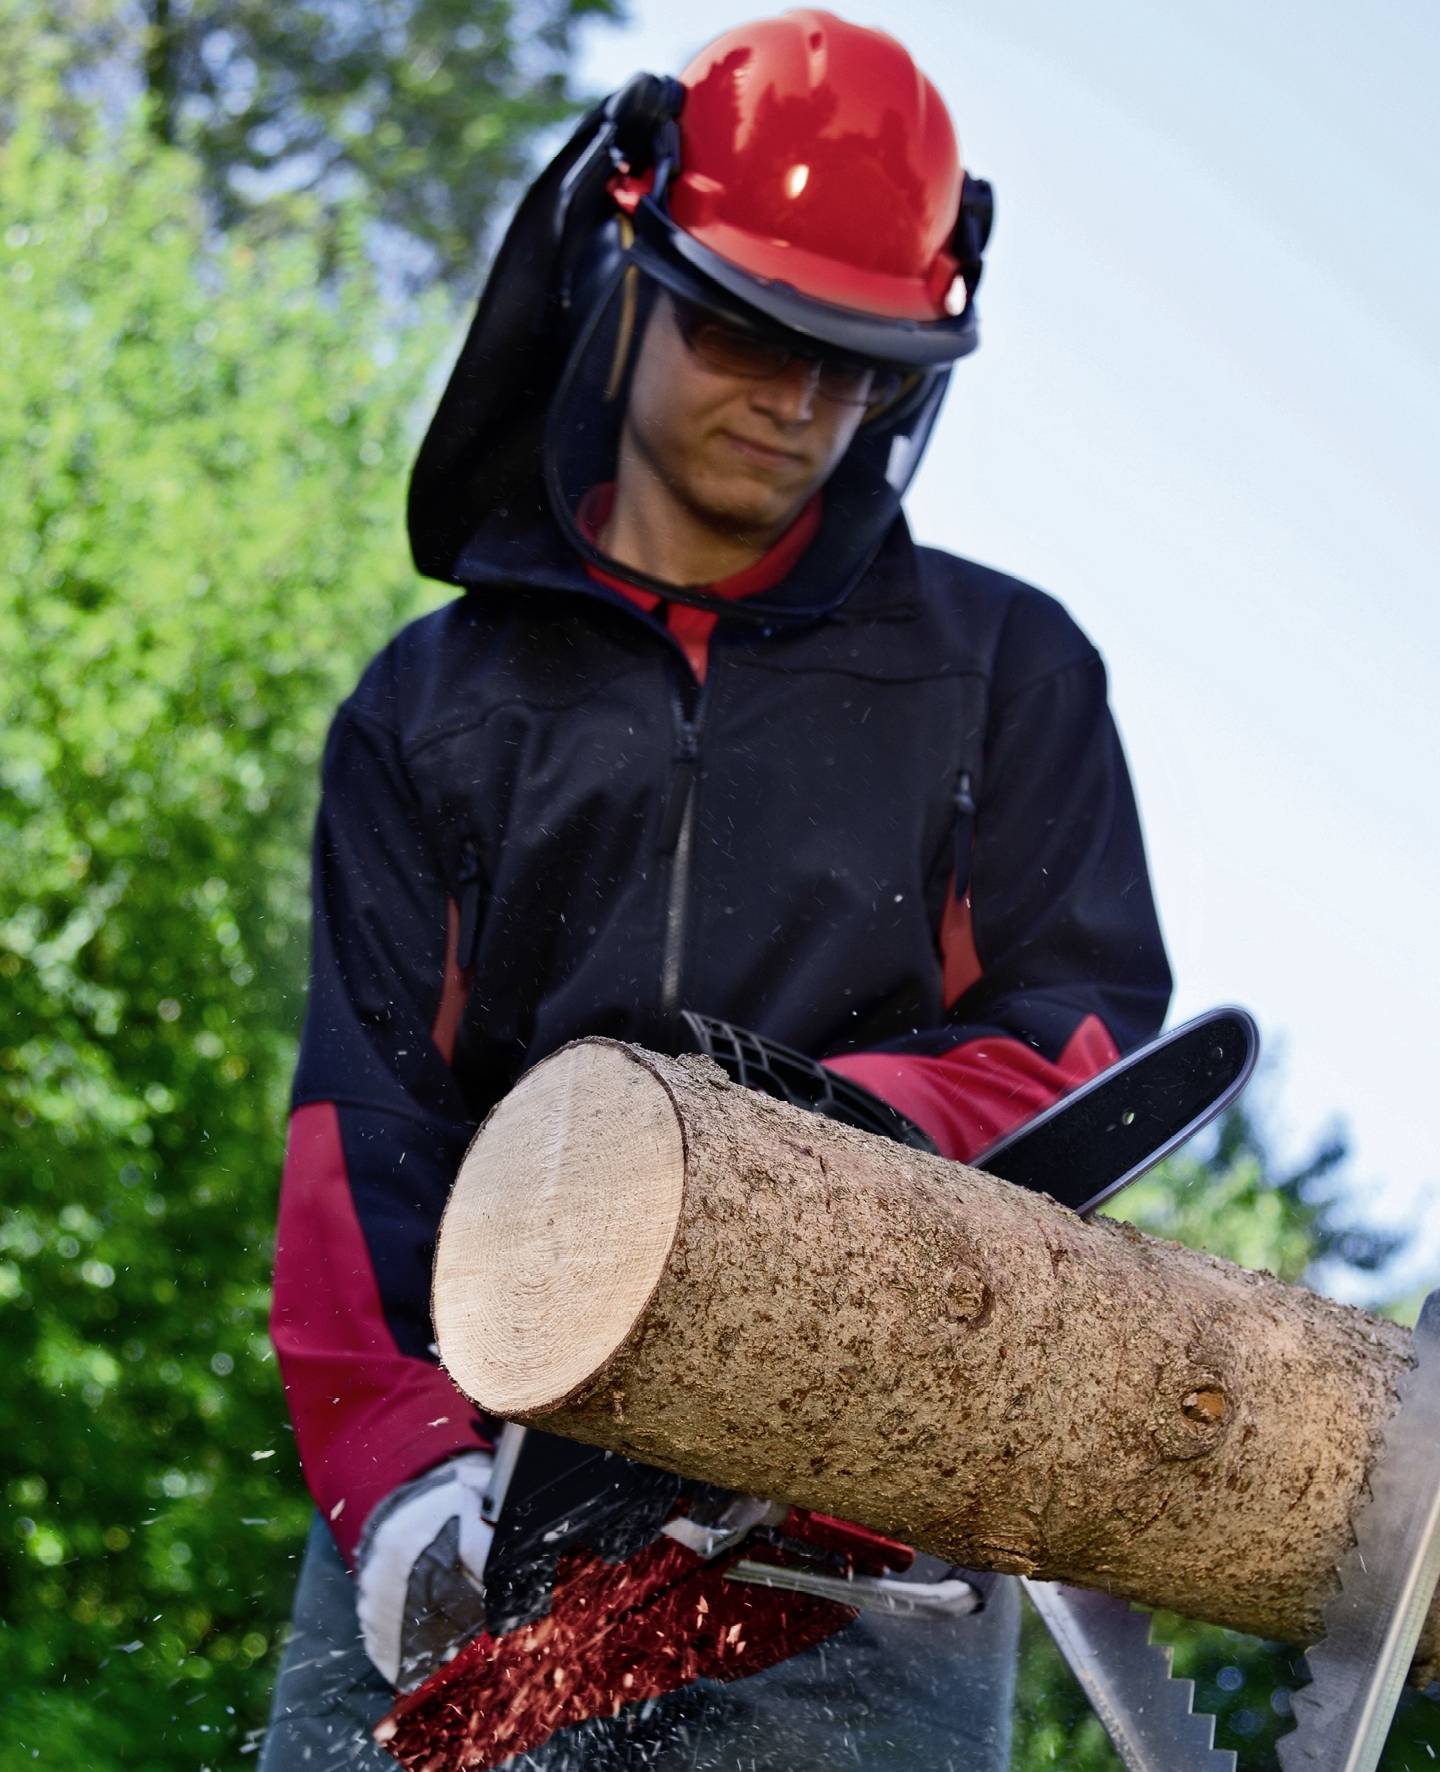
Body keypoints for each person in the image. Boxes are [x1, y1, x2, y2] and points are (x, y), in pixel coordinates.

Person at [257, 10, 1172, 1768]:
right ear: (633, 258)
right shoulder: (437, 705)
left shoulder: (1003, 673)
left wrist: (751, 1154)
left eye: (860, 364)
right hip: (491, 1451)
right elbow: (356, 1128)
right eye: (752, 335)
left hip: (855, 1518)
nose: (803, 404)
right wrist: (401, 1481)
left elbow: (1075, 1053)